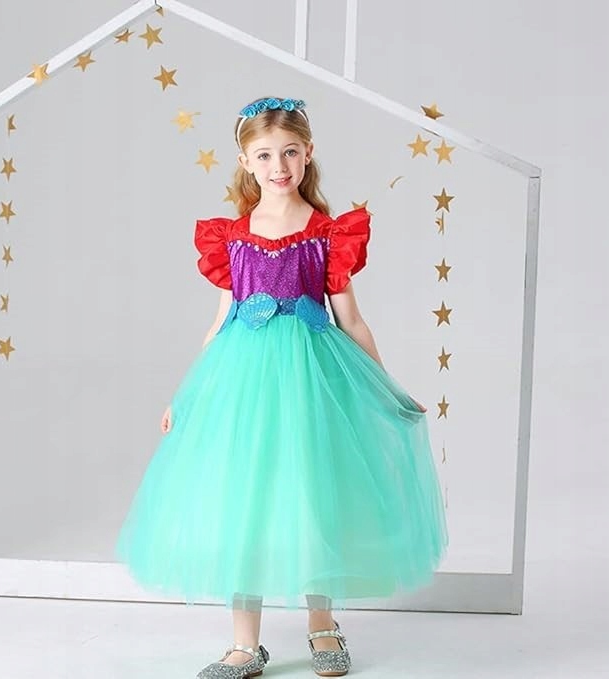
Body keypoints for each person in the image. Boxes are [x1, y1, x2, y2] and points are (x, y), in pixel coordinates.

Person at [115, 96, 449, 678]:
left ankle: (323, 625)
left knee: (313, 488)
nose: (279, 165)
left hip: (313, 378)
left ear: (308, 153)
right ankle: (245, 645)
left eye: (290, 152)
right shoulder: (232, 236)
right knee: (243, 496)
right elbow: (221, 321)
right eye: (265, 155)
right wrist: (187, 392)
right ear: (245, 160)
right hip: (243, 380)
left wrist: (386, 387)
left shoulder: (327, 233)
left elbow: (352, 320)